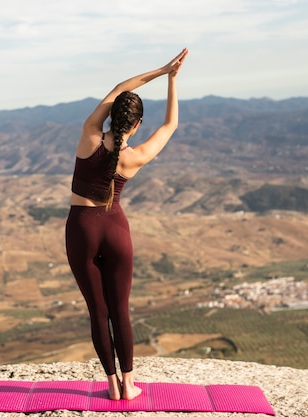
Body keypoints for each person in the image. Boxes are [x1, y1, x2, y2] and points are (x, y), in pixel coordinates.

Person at [65, 48, 189, 401]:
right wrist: (173, 80)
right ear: (136, 125)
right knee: (120, 309)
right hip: (116, 230)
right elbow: (171, 125)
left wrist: (161, 69)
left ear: (111, 117)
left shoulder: (89, 133)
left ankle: (111, 385)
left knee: (97, 310)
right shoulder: (135, 157)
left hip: (81, 228)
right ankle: (130, 384)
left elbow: (120, 87)